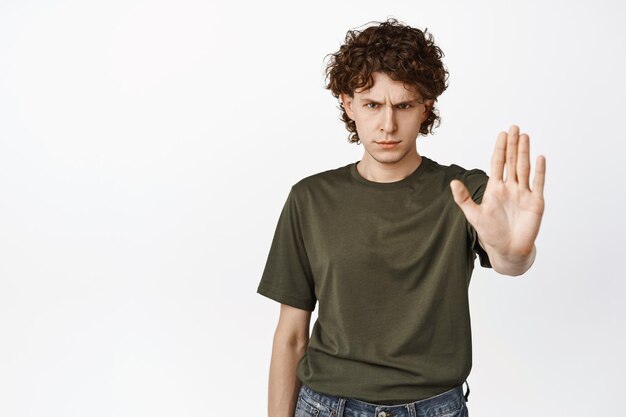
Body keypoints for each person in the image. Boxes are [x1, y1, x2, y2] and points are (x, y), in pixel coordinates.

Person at [256, 17, 546, 417]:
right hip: (326, 406)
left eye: (404, 105)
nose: (387, 124)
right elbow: (290, 337)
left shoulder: (466, 192)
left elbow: (511, 259)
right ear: (348, 103)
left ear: (426, 106)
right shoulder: (310, 198)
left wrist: (516, 250)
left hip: (435, 408)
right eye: (373, 104)